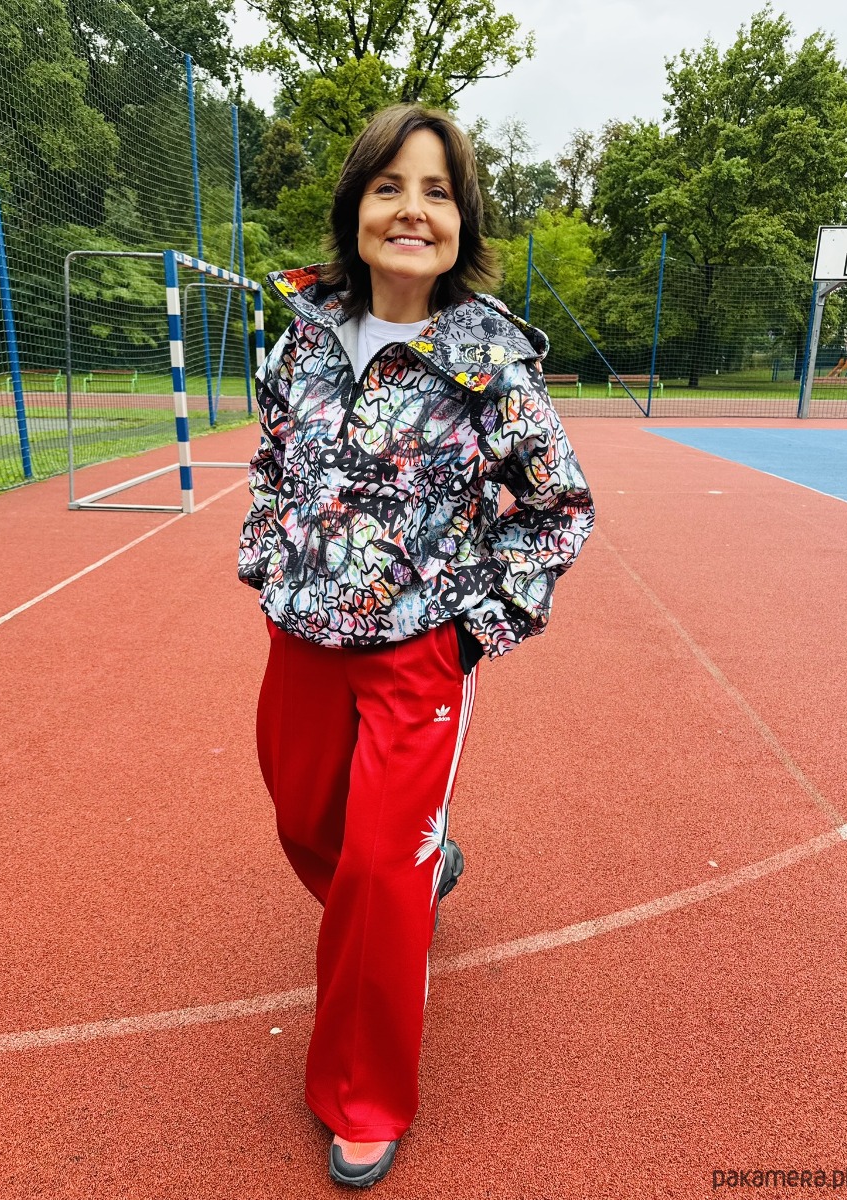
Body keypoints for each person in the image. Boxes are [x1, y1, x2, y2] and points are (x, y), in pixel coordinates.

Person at [238, 103, 594, 1189]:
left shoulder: (490, 361)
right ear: (356, 209)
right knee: (307, 824)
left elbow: (560, 507)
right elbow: (272, 461)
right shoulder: (301, 337)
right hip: (301, 636)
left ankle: (364, 1093)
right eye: (389, 185)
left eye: (437, 191)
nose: (412, 209)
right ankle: (423, 871)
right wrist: (266, 558)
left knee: (378, 877)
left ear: (462, 220)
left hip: (418, 655)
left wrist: (477, 626)